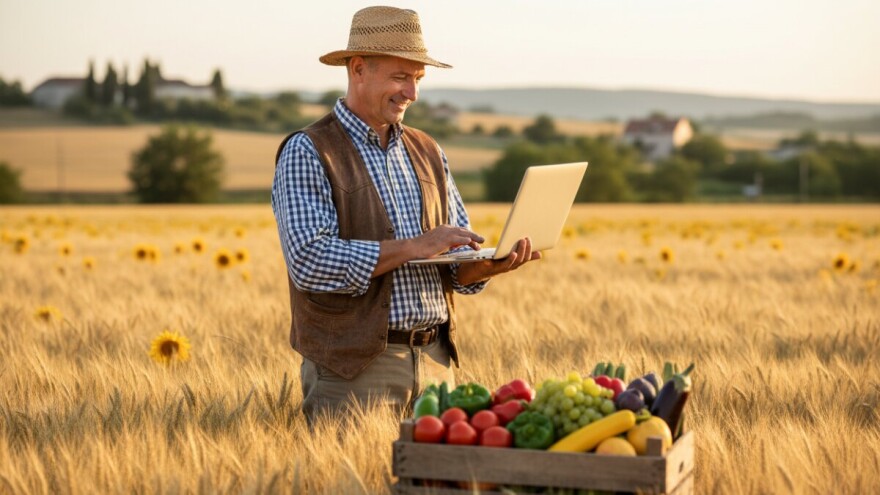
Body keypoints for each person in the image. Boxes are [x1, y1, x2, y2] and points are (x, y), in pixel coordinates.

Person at [271, 6, 541, 424]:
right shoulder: (309, 150)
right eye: (401, 77)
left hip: (437, 366)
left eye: (418, 79)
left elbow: (451, 270)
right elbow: (310, 263)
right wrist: (417, 246)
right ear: (358, 69)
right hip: (354, 372)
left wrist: (488, 266)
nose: (411, 93)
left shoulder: (428, 149)